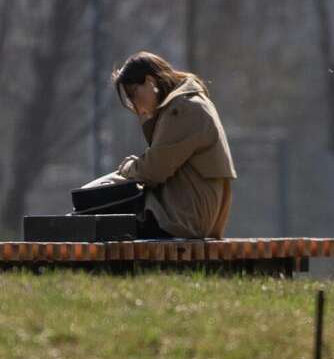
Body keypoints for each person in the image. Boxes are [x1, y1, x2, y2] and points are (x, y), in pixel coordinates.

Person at [76, 51, 236, 238]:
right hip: (185, 210)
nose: (135, 106)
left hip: (183, 216)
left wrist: (128, 167)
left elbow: (154, 170)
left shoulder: (182, 109)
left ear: (150, 82)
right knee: (90, 203)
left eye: (133, 94)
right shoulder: (187, 104)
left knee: (93, 211)